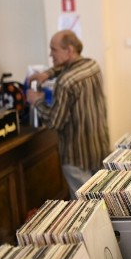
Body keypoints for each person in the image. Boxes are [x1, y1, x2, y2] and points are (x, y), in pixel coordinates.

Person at [26, 30, 110, 198]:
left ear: (69, 50)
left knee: (85, 209)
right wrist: (47, 74)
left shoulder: (65, 82)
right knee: (101, 203)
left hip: (76, 156)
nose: (50, 54)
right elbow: (66, 67)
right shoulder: (92, 65)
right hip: (98, 149)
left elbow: (55, 122)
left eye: (54, 49)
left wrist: (36, 101)